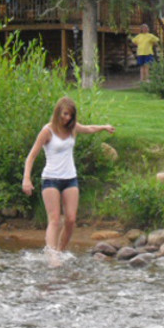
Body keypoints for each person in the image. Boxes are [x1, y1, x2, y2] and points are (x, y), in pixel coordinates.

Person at [22, 97, 115, 265]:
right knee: (55, 219)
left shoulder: (72, 128)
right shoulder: (47, 131)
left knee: (71, 219)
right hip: (51, 179)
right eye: (65, 114)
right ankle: (52, 256)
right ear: (58, 112)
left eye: (71, 116)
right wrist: (26, 179)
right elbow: (32, 156)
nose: (67, 118)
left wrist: (104, 127)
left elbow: (88, 128)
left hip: (70, 178)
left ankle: (61, 251)